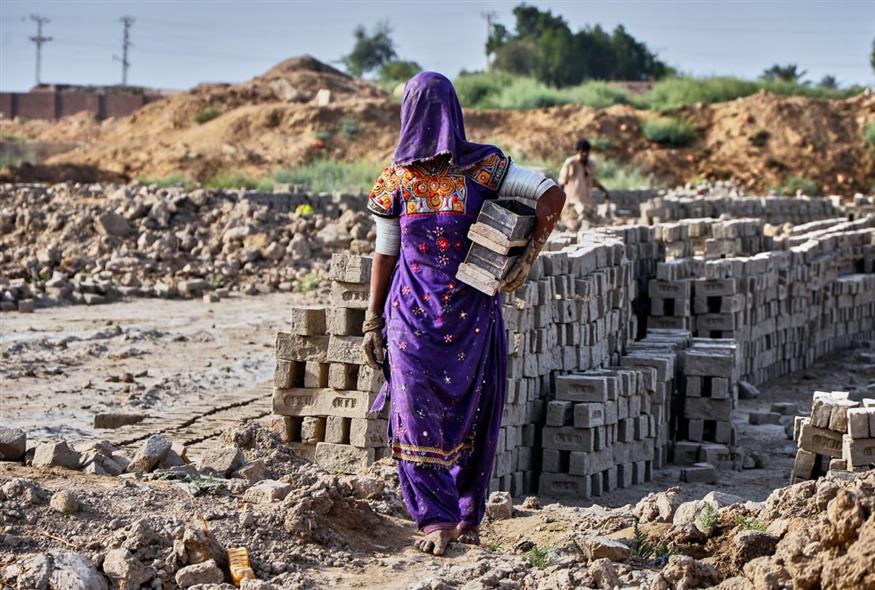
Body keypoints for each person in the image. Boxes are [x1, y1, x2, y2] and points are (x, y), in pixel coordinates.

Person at [360, 72, 565, 556]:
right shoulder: (395, 181)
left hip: (470, 317)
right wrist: (372, 321)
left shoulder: (485, 168)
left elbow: (551, 195)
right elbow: (385, 252)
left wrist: (527, 255)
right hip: (411, 319)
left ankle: (465, 517)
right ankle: (436, 519)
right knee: (413, 418)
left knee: (473, 413)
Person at [558, 138, 610, 223]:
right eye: (583, 151)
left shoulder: (591, 164)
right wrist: (558, 201)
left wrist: (604, 191)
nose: (585, 154)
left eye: (587, 152)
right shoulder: (571, 163)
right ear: (578, 151)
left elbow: (593, 181)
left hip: (587, 204)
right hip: (573, 204)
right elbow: (562, 182)